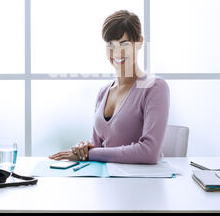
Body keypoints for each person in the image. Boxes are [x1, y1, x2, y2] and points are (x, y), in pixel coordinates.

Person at [49, 10, 170, 164]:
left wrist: (91, 154)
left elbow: (149, 153)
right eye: (110, 44)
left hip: (141, 183)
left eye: (124, 43)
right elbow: (98, 148)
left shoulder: (154, 87)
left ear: (139, 42)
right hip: (106, 181)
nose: (116, 52)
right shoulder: (103, 92)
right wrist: (85, 148)